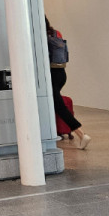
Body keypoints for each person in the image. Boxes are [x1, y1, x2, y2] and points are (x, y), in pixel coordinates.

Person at [46, 18, 91, 150]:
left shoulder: (40, 37)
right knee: (52, 103)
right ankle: (54, 132)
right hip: (61, 73)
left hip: (51, 75)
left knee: (59, 106)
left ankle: (81, 135)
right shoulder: (56, 33)